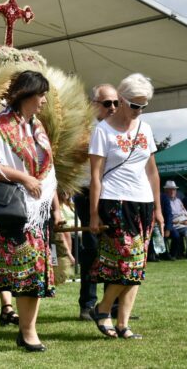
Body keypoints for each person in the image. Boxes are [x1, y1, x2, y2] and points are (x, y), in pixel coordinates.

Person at [0, 70, 61, 352]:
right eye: (41, 95)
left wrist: (53, 203)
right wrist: (24, 178)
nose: (44, 101)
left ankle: (28, 332)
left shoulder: (36, 128)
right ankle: (26, 330)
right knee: (25, 272)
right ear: (27, 95)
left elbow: (48, 169)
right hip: (14, 208)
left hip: (37, 211)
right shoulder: (1, 126)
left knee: (36, 272)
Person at [88, 73, 163, 340]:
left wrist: (158, 208)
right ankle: (103, 308)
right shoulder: (102, 130)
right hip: (116, 201)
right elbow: (95, 175)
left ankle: (123, 323)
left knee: (137, 267)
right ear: (121, 100)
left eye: (143, 106)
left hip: (143, 202)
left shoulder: (145, 128)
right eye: (134, 105)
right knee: (126, 264)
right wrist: (94, 213)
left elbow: (152, 171)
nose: (138, 111)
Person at [73, 83, 118, 321]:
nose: (113, 108)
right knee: (92, 247)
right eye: (107, 103)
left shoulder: (120, 128)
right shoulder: (85, 129)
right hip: (87, 191)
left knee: (116, 247)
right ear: (94, 104)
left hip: (114, 194)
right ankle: (88, 304)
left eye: (116, 103)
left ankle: (114, 304)